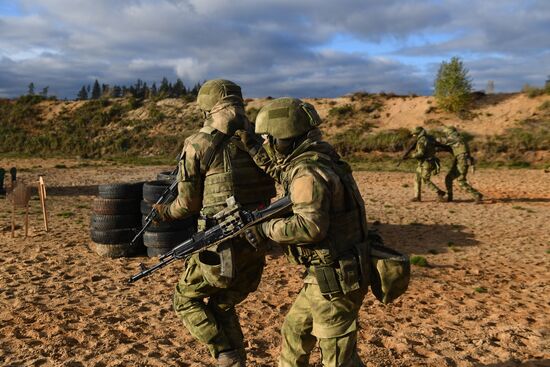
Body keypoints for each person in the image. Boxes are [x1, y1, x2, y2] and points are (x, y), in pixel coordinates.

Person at [153, 79, 276, 367]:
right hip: (257, 242)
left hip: (220, 245)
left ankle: (224, 352)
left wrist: (163, 213)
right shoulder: (257, 140)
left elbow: (187, 205)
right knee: (223, 304)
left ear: (206, 108)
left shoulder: (199, 143)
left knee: (185, 300)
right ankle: (235, 361)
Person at [241, 97, 369, 367]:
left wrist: (265, 228)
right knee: (295, 333)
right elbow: (280, 170)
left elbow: (309, 227)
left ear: (284, 138)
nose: (267, 144)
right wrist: (252, 147)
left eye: (268, 138)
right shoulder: (319, 157)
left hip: (336, 278)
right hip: (325, 274)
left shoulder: (308, 171)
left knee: (338, 359)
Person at [441, 126, 483, 203]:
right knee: (448, 178)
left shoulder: (455, 137)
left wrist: (431, 140)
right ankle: (449, 197)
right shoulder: (459, 138)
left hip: (462, 161)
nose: (446, 134)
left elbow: (443, 141)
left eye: (446, 133)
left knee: (461, 180)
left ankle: (477, 195)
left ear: (450, 132)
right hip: (459, 160)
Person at [409, 126, 446, 202]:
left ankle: (439, 192)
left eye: (415, 134)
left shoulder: (422, 140)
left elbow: (421, 153)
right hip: (423, 163)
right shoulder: (428, 138)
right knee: (417, 179)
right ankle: (417, 197)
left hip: (426, 163)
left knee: (425, 180)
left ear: (418, 133)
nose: (414, 136)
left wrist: (412, 156)